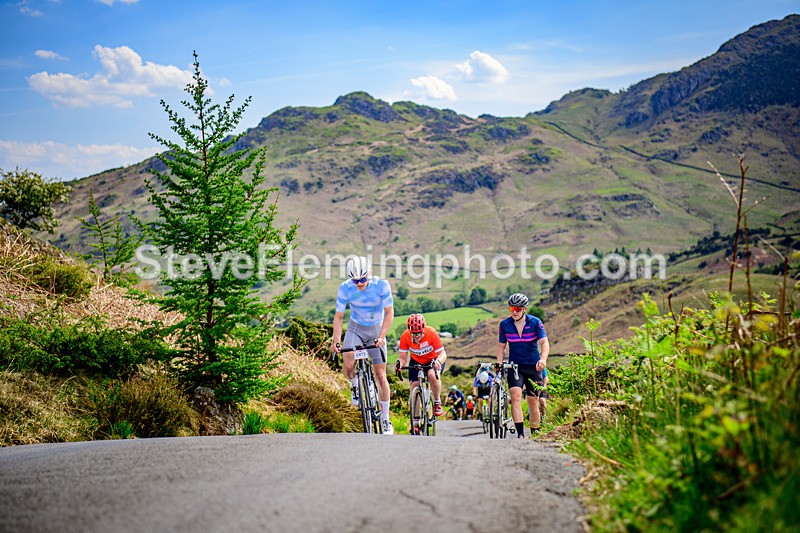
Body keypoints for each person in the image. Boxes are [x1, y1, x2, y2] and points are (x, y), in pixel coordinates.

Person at [331, 256, 395, 434]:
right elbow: (339, 316)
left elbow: (389, 313)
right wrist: (336, 340)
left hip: (376, 330)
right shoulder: (345, 288)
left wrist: (382, 337)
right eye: (355, 280)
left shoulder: (382, 285)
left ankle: (385, 420)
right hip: (356, 328)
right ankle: (355, 385)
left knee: (381, 375)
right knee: (348, 364)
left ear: (369, 274)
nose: (359, 283)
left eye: (362, 279)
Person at [495, 293, 549, 438]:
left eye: (517, 309)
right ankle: (520, 434)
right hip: (515, 366)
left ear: (524, 309)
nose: (514, 312)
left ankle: (535, 431)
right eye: (512, 308)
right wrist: (500, 364)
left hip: (533, 366)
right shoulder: (505, 325)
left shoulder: (535, 322)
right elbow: (501, 347)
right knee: (515, 396)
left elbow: (544, 342)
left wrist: (543, 359)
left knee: (533, 400)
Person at [394, 313, 447, 431]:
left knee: (432, 375)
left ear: (424, 329)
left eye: (419, 333)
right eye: (414, 334)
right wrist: (399, 364)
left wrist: (438, 362)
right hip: (416, 361)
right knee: (414, 386)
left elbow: (442, 353)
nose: (417, 336)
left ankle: (437, 401)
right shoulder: (405, 336)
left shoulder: (431, 333)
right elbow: (402, 357)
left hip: (433, 360)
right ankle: (416, 421)